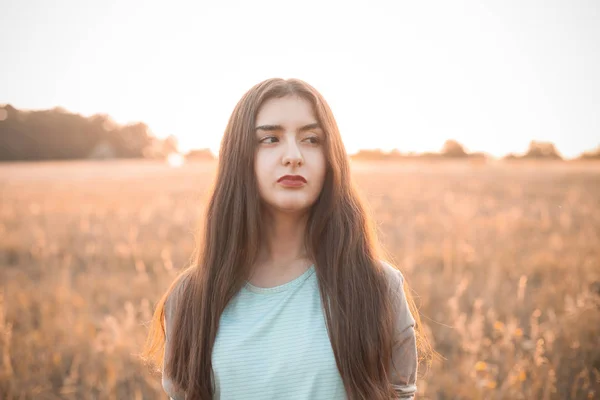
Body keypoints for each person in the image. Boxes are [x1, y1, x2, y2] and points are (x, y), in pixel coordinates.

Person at [142, 78, 427, 399]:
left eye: (311, 139)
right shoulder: (192, 297)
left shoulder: (377, 287)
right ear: (240, 157)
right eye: (270, 138)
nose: (293, 156)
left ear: (331, 158)